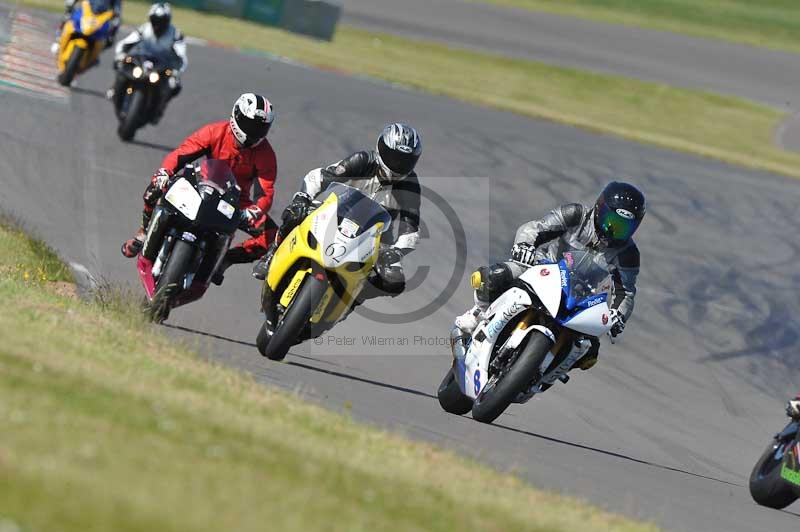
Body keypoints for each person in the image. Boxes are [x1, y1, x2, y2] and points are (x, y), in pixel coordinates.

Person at [455, 181, 645, 371]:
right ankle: (477, 314)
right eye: (611, 222)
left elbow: (626, 293)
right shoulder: (576, 214)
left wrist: (618, 316)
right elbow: (536, 228)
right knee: (492, 276)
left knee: (589, 351)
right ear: (600, 209)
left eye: (624, 227)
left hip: (582, 296)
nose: (614, 230)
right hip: (544, 268)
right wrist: (524, 245)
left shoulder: (628, 254)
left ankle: (551, 373)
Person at [252, 123, 422, 300]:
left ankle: (353, 300)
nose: (398, 164)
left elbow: (411, 227)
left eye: (405, 161)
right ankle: (271, 254)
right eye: (394, 157)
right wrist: (302, 197)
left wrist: (397, 251)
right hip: (338, 212)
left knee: (394, 282)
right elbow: (319, 177)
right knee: (295, 213)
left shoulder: (410, 185)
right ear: (381, 148)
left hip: (375, 235)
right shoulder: (363, 160)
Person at [121, 93, 278, 284]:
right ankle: (143, 232)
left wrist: (255, 211)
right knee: (154, 189)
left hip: (236, 201)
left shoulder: (266, 154)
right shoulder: (214, 132)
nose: (255, 132)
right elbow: (181, 154)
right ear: (236, 116)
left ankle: (225, 260)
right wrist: (164, 173)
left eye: (261, 127)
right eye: (251, 125)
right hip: (199, 184)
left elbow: (266, 193)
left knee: (272, 236)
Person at [109, 2, 187, 124]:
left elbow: (182, 57)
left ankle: (159, 109)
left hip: (162, 66)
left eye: (161, 21)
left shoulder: (175, 34)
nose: (157, 24)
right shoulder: (144, 28)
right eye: (154, 20)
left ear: (167, 20)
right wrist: (120, 55)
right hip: (140, 59)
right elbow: (126, 43)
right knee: (121, 67)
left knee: (174, 86)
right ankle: (114, 90)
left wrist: (177, 72)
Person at [51, 0, 122, 54]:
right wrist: (70, 3)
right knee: (68, 16)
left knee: (111, 31)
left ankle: (96, 54)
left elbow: (117, 10)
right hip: (86, 10)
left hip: (101, 17)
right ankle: (58, 39)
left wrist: (112, 32)